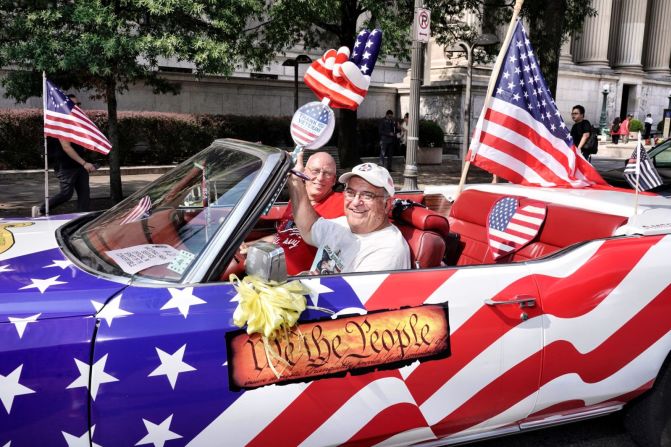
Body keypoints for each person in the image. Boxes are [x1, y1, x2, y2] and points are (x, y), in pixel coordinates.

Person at [288, 156, 410, 273]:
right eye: (350, 193)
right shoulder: (342, 225)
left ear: (386, 205)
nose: (356, 202)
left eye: (367, 195)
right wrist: (295, 179)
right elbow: (308, 227)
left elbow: (353, 294)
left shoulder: (387, 250)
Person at [246, 152, 344, 276]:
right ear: (304, 173)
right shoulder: (296, 199)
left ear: (334, 180)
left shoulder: (343, 202)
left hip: (296, 281)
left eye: (327, 173)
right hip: (269, 268)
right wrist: (249, 245)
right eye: (315, 171)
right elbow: (282, 235)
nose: (320, 178)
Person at [32, 94, 96, 217]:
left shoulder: (76, 122)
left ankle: (83, 219)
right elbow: (66, 147)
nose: (77, 107)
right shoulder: (62, 123)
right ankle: (41, 209)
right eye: (74, 105)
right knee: (66, 194)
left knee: (84, 194)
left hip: (79, 165)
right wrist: (84, 163)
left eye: (79, 104)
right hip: (66, 166)